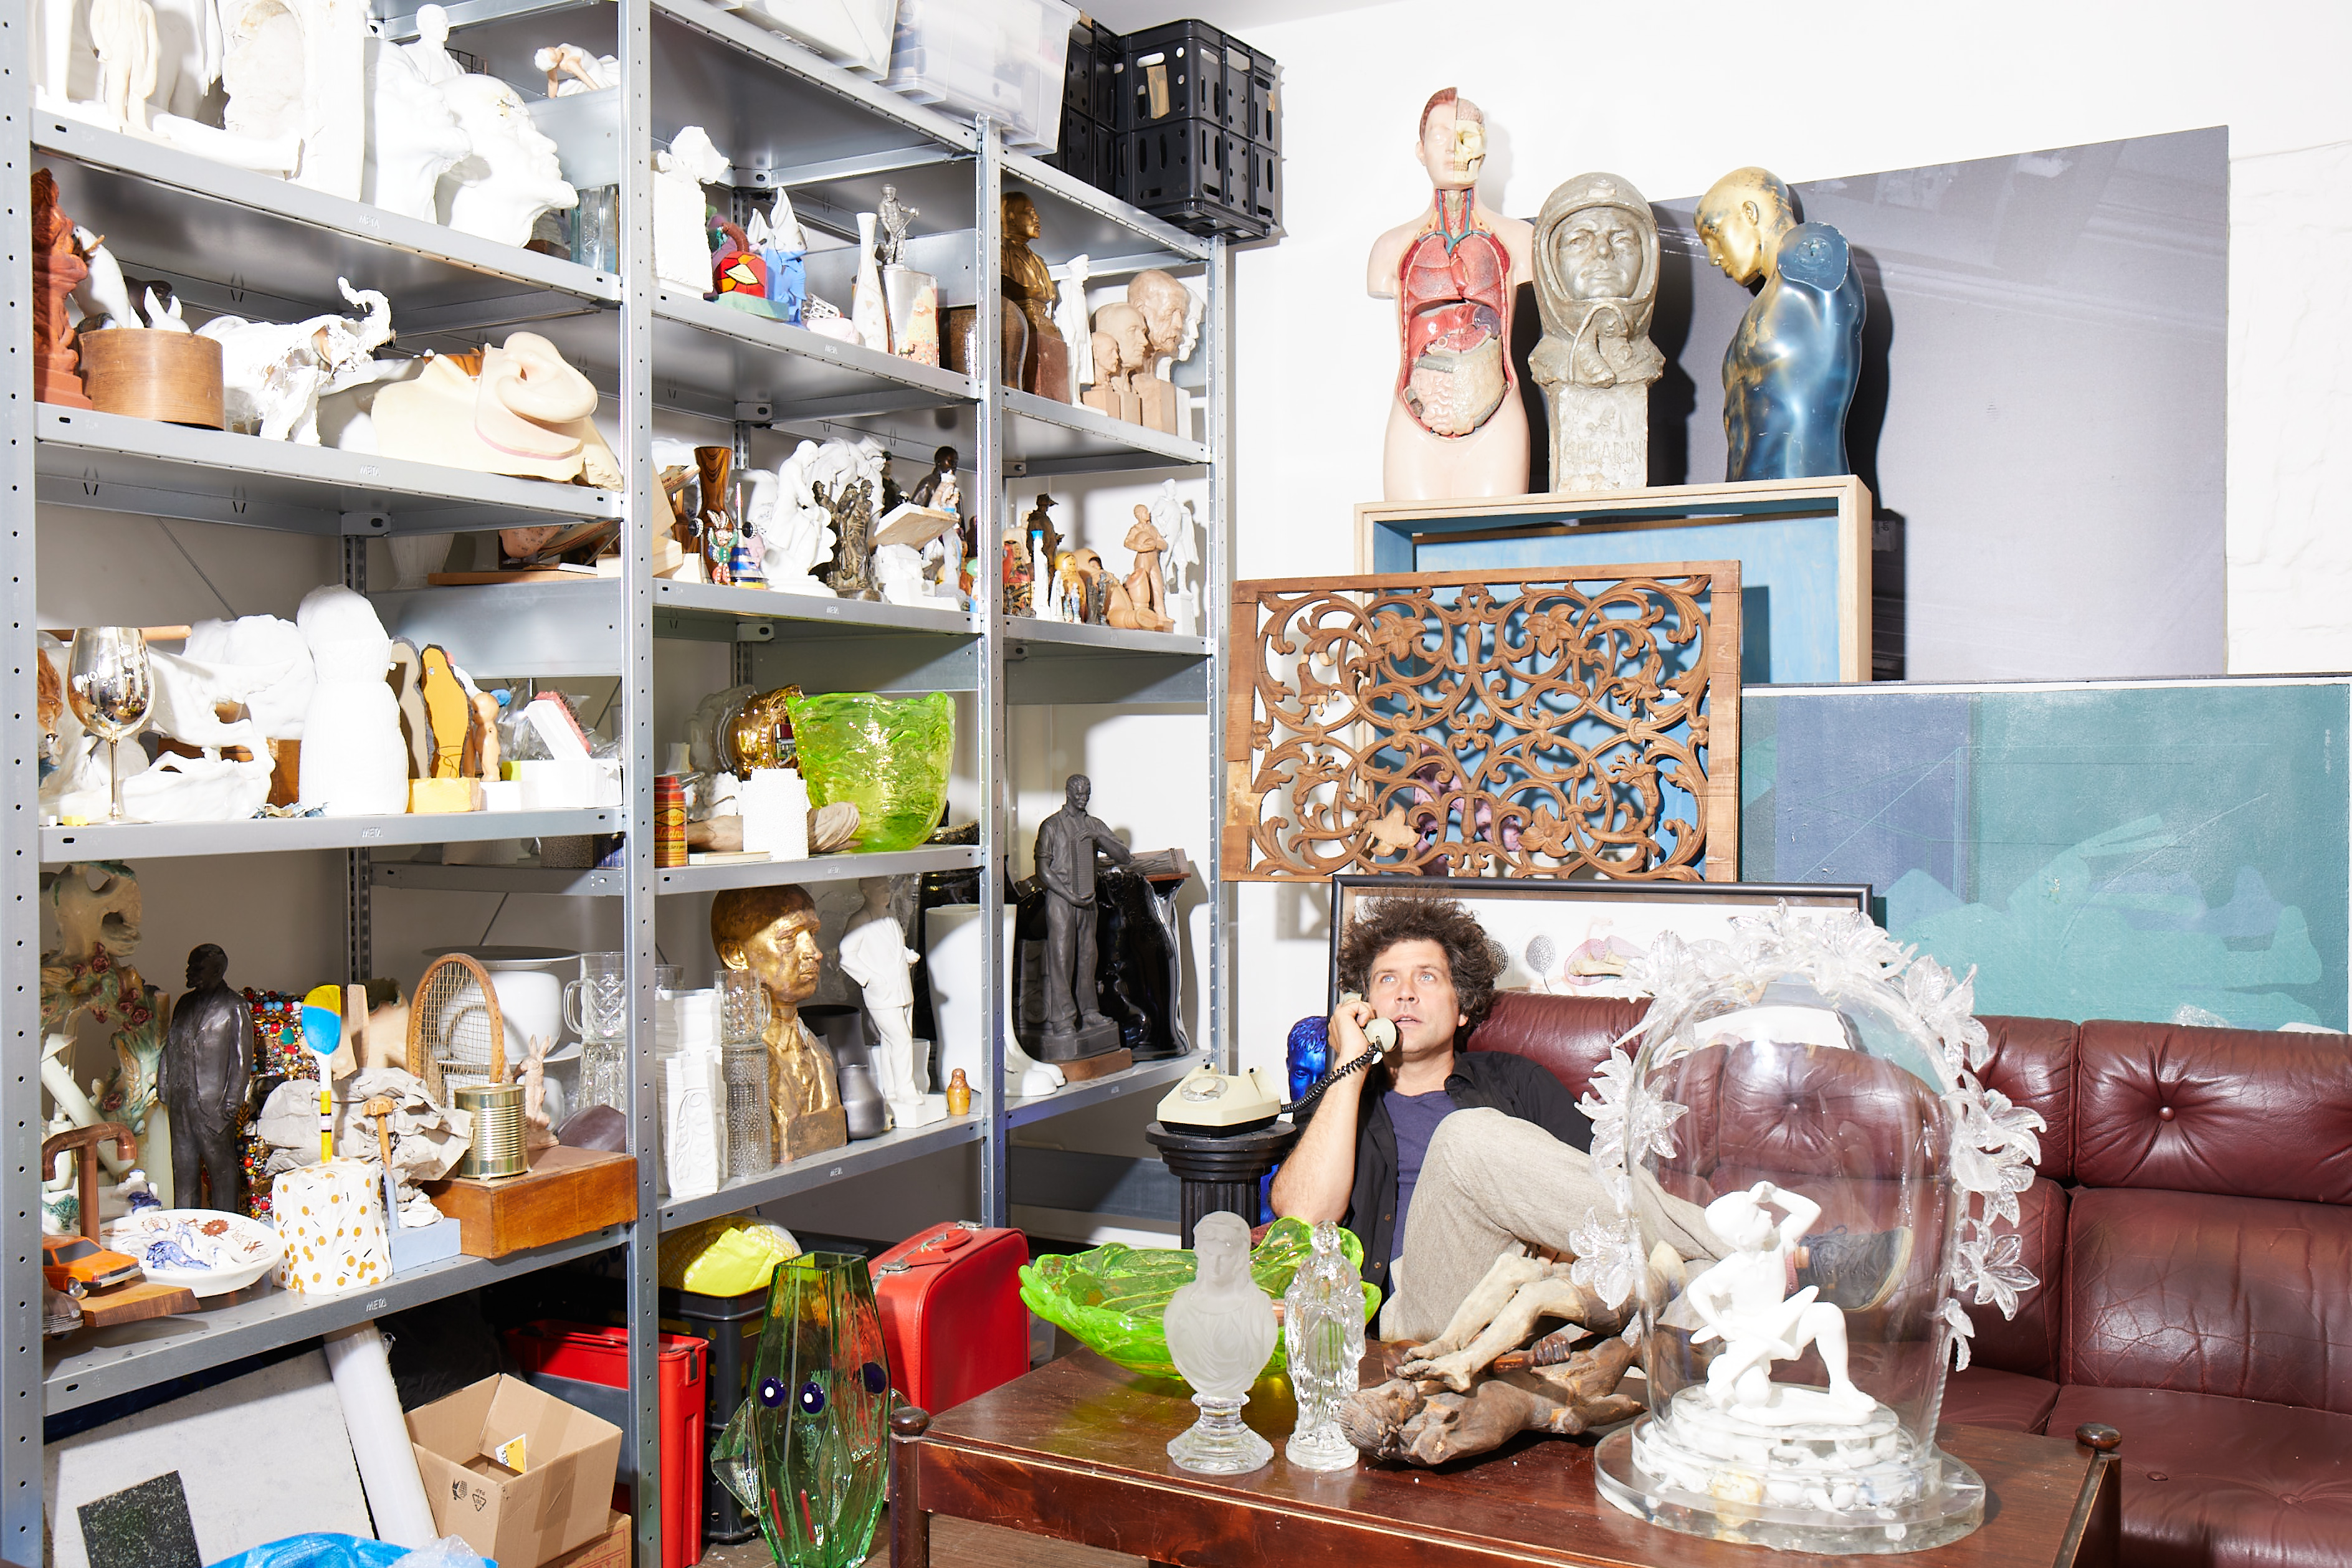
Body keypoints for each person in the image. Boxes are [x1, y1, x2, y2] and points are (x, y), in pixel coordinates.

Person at [1275, 895, 1911, 1344]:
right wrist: (1348, 1070)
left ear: (1462, 1006)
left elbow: (1600, 1198)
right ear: (1365, 1004)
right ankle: (1779, 1254)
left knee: (1691, 1278)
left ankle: (1748, 1284)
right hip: (1419, 1311)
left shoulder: (1513, 1081)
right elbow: (1302, 1214)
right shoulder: (1341, 1100)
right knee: (1462, 1136)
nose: (1405, 993)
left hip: (1528, 1297)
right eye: (1386, 980)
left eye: (1426, 977)